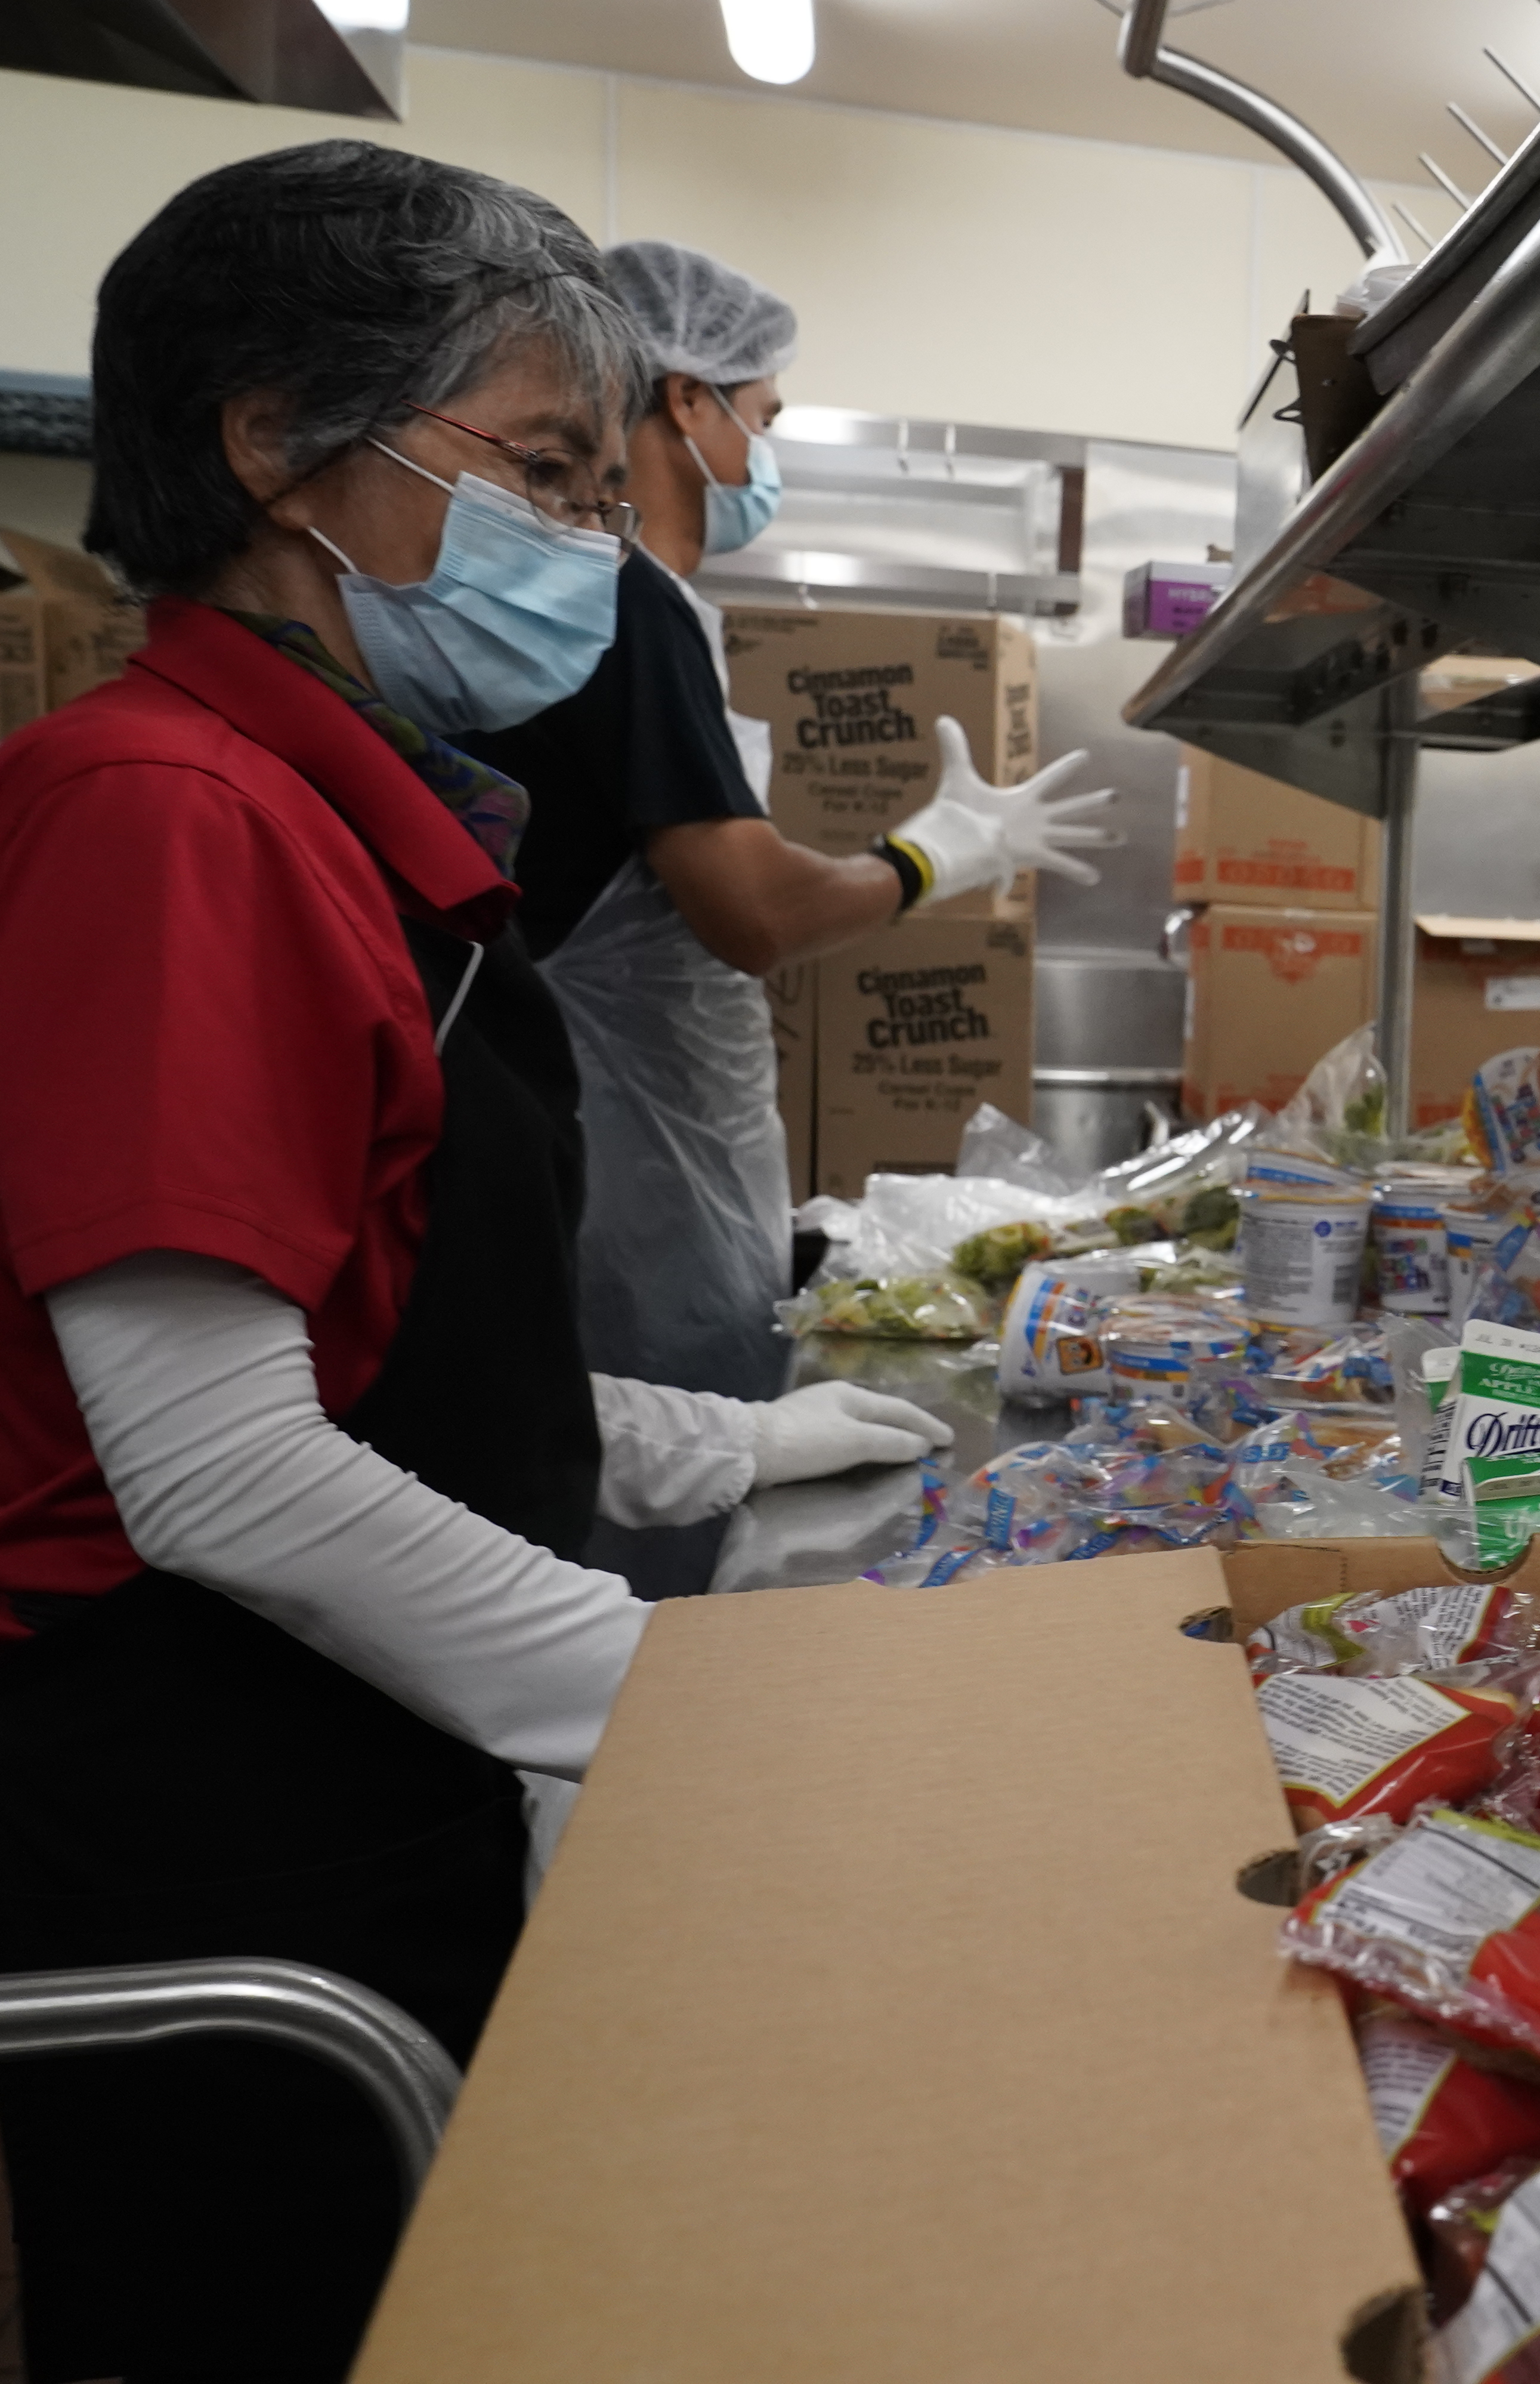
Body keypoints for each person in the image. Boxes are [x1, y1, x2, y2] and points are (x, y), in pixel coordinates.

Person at [0, 144, 965, 2378]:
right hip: (216, 1841)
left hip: (355, 1772)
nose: (592, 547)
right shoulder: (166, 814)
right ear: (275, 439)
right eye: (544, 471)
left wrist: (730, 1440)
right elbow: (218, 1469)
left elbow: (388, 1344)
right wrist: (685, 1706)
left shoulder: (352, 813)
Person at [463, 240, 1114, 1437]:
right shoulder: (627, 601)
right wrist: (935, 857)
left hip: (646, 1143)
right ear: (686, 401)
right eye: (764, 416)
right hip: (632, 1167)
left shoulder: (620, 603)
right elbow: (751, 912)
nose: (766, 452)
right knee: (666, 1468)